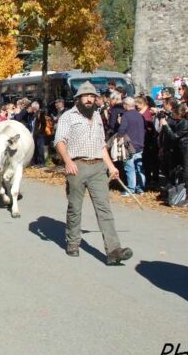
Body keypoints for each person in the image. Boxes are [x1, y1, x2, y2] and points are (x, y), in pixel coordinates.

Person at [54, 81, 133, 266]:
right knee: (75, 207)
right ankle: (73, 242)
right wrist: (68, 161)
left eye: (92, 96)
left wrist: (111, 166)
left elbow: (101, 145)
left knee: (104, 208)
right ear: (78, 99)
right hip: (77, 166)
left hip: (98, 167)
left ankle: (113, 250)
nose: (89, 99)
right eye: (86, 96)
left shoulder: (97, 116)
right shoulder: (68, 117)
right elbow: (59, 141)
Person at [160, 103, 188, 207]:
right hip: (183, 150)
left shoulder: (185, 123)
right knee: (182, 172)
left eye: (174, 113)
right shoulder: (179, 121)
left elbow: (174, 136)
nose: (172, 114)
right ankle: (181, 193)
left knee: (187, 174)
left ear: (179, 114)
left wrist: (165, 125)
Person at [117, 96, 146, 196]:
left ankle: (131, 188)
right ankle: (141, 188)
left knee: (129, 167)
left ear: (126, 105)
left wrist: (119, 124)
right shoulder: (139, 115)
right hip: (139, 144)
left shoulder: (126, 116)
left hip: (129, 144)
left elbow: (122, 130)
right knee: (139, 167)